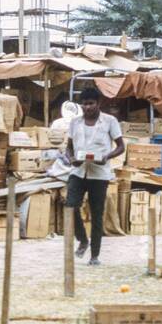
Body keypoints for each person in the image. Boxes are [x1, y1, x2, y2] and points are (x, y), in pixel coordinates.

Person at [63, 88, 125, 266]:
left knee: (97, 214)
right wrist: (71, 159)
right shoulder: (75, 122)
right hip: (78, 171)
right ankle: (82, 239)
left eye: (91, 103)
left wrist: (107, 157)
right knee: (70, 206)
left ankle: (95, 255)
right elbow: (69, 147)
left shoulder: (109, 121)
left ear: (99, 103)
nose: (87, 107)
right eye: (84, 103)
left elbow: (121, 146)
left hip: (100, 173)